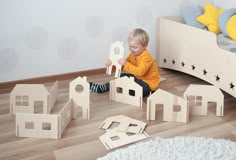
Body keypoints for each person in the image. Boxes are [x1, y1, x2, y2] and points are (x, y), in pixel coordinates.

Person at [90, 28, 160, 97]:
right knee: (122, 76)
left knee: (131, 89)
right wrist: (111, 64)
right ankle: (104, 87)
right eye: (130, 46)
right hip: (139, 79)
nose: (132, 49)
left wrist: (126, 63)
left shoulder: (146, 57)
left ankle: (127, 87)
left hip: (149, 84)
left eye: (135, 47)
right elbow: (122, 66)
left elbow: (140, 72)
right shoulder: (132, 54)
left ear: (144, 46)